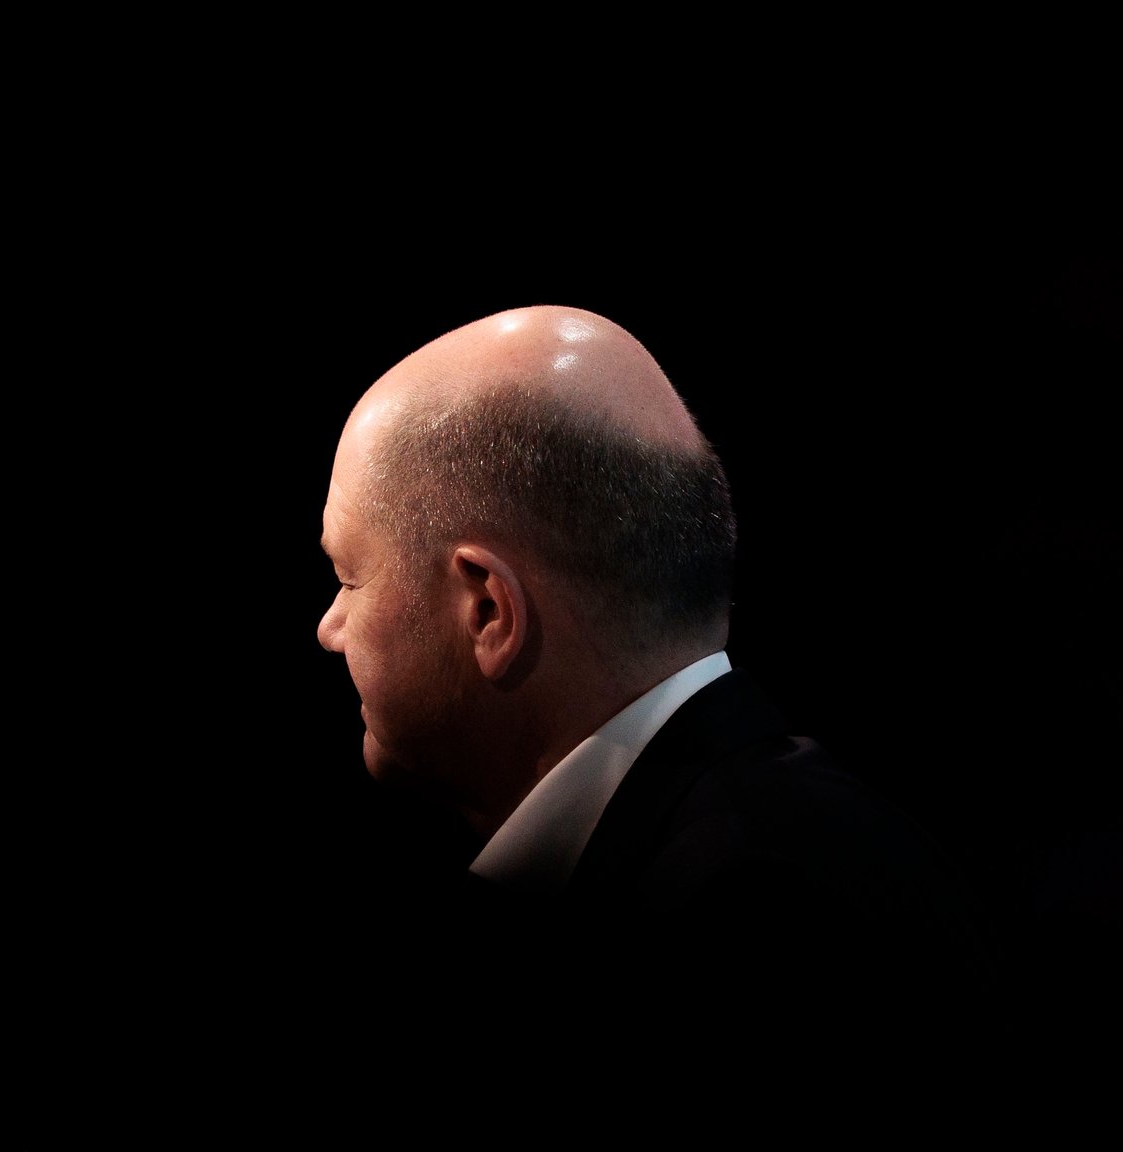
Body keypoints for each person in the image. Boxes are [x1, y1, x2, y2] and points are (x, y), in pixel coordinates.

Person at [315, 304, 1007, 1056]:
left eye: (349, 578)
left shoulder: (754, 926)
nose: (330, 628)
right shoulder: (774, 846)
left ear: (488, 609)